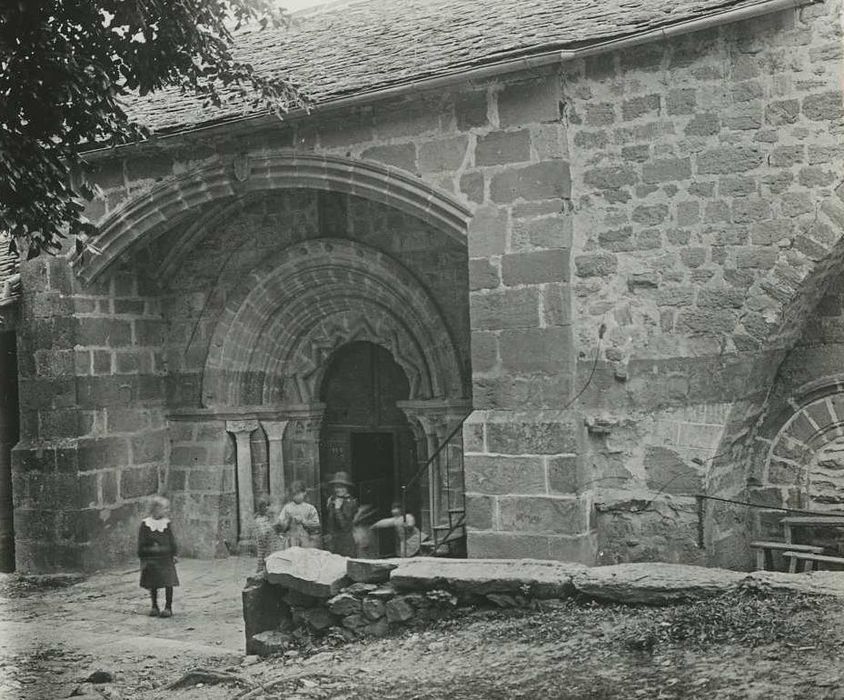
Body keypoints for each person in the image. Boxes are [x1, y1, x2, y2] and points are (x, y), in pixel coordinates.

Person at [137, 495, 180, 618]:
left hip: (166, 557)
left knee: (168, 582)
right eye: (164, 508)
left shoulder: (166, 523)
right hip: (152, 557)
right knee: (153, 582)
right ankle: (154, 605)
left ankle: (168, 607)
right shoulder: (146, 524)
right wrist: (143, 556)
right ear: (155, 509)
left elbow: (171, 540)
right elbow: (141, 542)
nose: (167, 511)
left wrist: (174, 553)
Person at [276, 481, 321, 548]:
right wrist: (287, 521)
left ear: (304, 492)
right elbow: (280, 524)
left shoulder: (310, 508)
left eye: (299, 494)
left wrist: (303, 521)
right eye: (294, 494)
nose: (296, 496)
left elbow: (316, 524)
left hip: (306, 539)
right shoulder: (287, 508)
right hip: (291, 539)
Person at [324, 471, 358, 557]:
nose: (338, 490)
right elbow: (330, 523)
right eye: (336, 487)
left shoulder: (350, 502)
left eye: (342, 487)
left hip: (345, 544)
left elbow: (344, 526)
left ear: (347, 488)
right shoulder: (333, 500)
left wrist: (338, 509)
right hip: (333, 543)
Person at [253, 494, 284, 573]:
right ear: (259, 508)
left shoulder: (269, 517)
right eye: (264, 506)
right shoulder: (259, 520)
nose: (266, 508)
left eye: (267, 506)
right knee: (263, 556)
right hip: (265, 544)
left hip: (272, 544)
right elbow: (262, 534)